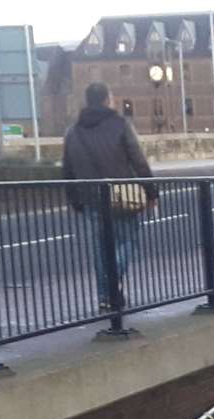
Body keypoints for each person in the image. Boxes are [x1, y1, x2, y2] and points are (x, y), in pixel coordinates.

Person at [62, 81, 157, 311]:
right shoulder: (120, 124)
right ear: (107, 100)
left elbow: (67, 169)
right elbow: (138, 160)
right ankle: (113, 284)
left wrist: (75, 199)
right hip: (121, 195)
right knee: (127, 241)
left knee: (100, 250)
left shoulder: (73, 131)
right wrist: (151, 192)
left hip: (91, 198)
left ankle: (105, 297)